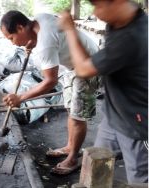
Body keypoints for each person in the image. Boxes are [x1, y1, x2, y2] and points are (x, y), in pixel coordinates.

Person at [58, 0, 148, 184]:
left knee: (140, 180)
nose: (96, 13)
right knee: (95, 164)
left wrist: (70, 29)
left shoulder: (132, 37)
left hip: (138, 124)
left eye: (98, 5)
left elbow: (83, 69)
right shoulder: (117, 24)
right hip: (114, 116)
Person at [0, 10, 100, 175]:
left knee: (78, 115)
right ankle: (70, 147)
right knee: (71, 109)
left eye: (11, 38)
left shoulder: (46, 42)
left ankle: (73, 158)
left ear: (19, 28)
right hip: (75, 65)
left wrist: (21, 98)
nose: (12, 43)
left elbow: (50, 81)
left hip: (90, 65)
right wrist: (33, 40)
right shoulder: (39, 19)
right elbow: (55, 35)